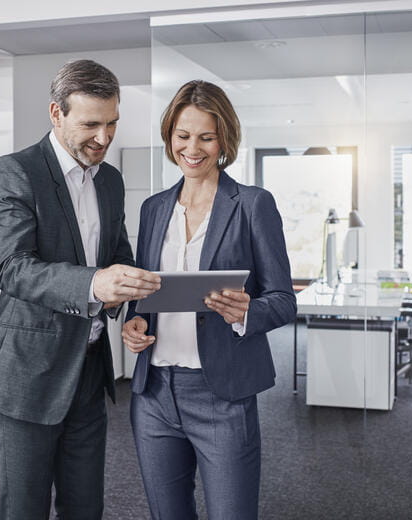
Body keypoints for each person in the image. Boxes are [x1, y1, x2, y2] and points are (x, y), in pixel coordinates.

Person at [0, 59, 161, 520]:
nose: (104, 137)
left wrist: (132, 306)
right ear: (56, 113)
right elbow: (14, 269)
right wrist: (95, 282)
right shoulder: (16, 171)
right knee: (25, 509)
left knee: (85, 507)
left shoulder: (111, 180)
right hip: (28, 375)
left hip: (89, 372)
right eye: (91, 124)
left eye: (112, 123)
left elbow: (119, 255)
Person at [122, 80, 296, 520]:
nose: (192, 148)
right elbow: (145, 292)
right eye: (182, 136)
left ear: (224, 140)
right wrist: (134, 323)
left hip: (222, 393)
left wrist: (247, 312)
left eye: (206, 136)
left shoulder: (253, 204)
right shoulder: (153, 208)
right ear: (170, 137)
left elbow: (282, 299)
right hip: (154, 393)